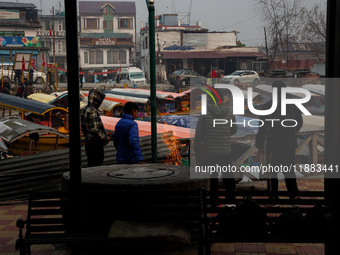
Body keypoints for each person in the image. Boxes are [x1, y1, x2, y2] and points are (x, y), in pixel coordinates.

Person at [255, 80, 303, 201]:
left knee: (272, 173)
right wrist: (291, 132)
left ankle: (273, 197)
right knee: (290, 171)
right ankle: (293, 196)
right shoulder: (293, 105)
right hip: (289, 143)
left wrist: (260, 145)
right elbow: (299, 123)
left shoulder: (267, 106)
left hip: (274, 143)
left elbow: (262, 127)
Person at [194, 89, 237, 206]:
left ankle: (214, 203)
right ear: (222, 100)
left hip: (209, 152)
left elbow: (198, 135)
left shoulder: (204, 113)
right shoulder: (229, 113)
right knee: (228, 177)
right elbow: (233, 130)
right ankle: (230, 202)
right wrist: (224, 135)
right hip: (225, 151)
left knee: (212, 178)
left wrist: (196, 150)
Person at [81, 88, 110, 167]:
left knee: (91, 164)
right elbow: (94, 130)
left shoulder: (85, 109)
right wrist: (105, 137)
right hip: (95, 144)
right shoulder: (92, 111)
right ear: (96, 99)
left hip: (88, 143)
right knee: (97, 164)